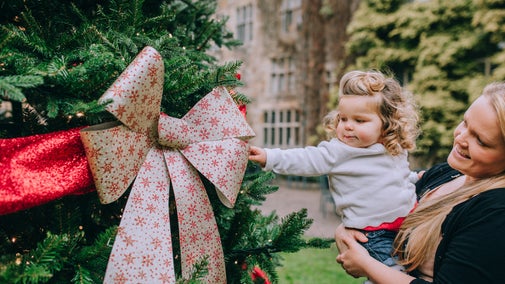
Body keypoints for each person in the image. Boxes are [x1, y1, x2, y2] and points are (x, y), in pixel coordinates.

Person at [249, 70, 420, 271]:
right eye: (343, 119)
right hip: (372, 234)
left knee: (417, 268)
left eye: (359, 121)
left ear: (386, 124)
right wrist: (270, 157)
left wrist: (415, 177)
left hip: (409, 225)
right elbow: (306, 158)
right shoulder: (339, 152)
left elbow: (394, 177)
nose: (347, 126)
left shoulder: (393, 147)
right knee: (389, 273)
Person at [335, 81, 505, 283]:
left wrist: (366, 265)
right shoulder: (446, 174)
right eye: (466, 123)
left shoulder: (496, 213)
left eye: (481, 140)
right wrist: (346, 231)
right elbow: (379, 206)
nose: (461, 137)